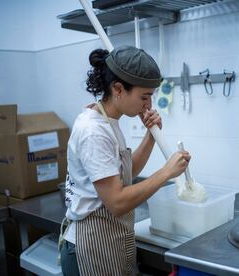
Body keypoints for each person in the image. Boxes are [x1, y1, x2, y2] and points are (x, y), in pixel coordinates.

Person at [59, 46, 191, 276]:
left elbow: (124, 176)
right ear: (118, 89)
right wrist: (166, 173)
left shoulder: (109, 122)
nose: (149, 105)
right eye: (144, 96)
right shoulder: (94, 132)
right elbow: (117, 201)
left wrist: (150, 135)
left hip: (111, 243)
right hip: (92, 248)